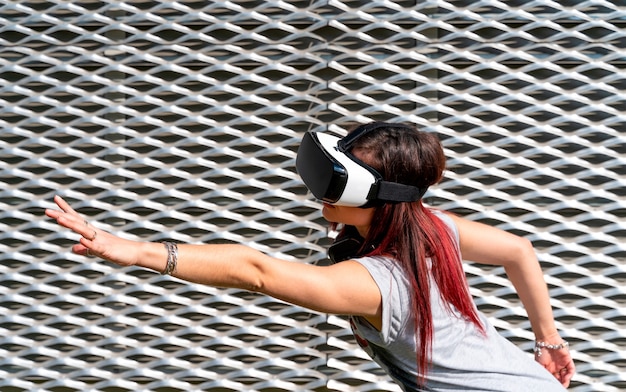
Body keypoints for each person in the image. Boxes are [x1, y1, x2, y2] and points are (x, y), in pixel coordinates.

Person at [45, 122, 575, 391]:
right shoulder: (434, 227)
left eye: (339, 180)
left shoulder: (375, 282)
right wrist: (548, 342)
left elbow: (253, 270)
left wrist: (136, 251)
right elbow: (519, 252)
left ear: (381, 195)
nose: (324, 190)